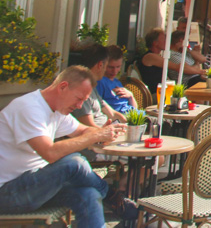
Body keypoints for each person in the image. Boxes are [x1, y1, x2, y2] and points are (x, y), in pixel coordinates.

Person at [0, 66, 137, 225]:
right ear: (63, 87)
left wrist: (101, 134)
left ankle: (110, 198)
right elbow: (49, 153)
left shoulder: (58, 109)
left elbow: (82, 131)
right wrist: (96, 135)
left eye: (83, 101)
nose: (79, 106)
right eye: (78, 98)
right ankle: (112, 197)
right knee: (74, 163)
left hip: (35, 186)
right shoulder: (28, 108)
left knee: (90, 194)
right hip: (7, 194)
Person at [137, 28, 204, 95]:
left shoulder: (158, 56)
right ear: (155, 43)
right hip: (156, 94)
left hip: (163, 91)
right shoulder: (150, 56)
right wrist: (203, 72)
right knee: (196, 91)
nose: (167, 41)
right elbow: (178, 67)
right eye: (164, 39)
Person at [73, 45, 126, 129]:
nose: (105, 70)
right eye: (107, 66)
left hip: (106, 131)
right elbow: (88, 126)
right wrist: (106, 132)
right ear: (100, 65)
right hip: (97, 137)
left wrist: (130, 124)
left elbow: (112, 113)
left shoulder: (92, 87)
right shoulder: (81, 89)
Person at [96, 46, 137, 116]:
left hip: (131, 114)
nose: (114, 71)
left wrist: (131, 96)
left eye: (118, 67)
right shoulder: (100, 82)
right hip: (118, 117)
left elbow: (135, 109)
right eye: (110, 67)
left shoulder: (117, 82)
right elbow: (98, 107)